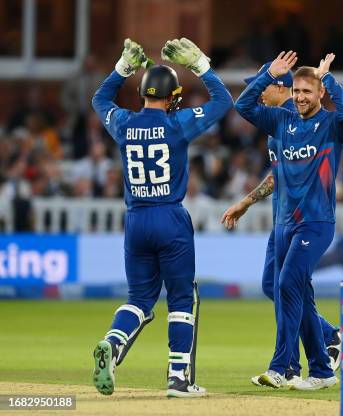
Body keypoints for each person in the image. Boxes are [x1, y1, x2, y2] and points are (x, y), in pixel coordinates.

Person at [90, 38, 233, 398]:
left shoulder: (123, 122)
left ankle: (113, 342)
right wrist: (200, 63)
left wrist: (122, 67)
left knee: (139, 298)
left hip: (135, 219)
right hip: (170, 217)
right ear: (172, 97)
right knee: (183, 298)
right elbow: (223, 101)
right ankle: (178, 379)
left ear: (141, 93)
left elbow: (99, 100)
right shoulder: (178, 123)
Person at [221, 62, 343, 387]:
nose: (300, 96)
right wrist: (247, 202)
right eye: (297, 91)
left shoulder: (330, 125)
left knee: (287, 284)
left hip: (315, 222)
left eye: (307, 91)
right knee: (286, 288)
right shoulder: (281, 121)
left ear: (319, 93)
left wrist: (327, 78)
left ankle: (282, 367)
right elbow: (242, 106)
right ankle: (321, 367)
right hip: (283, 222)